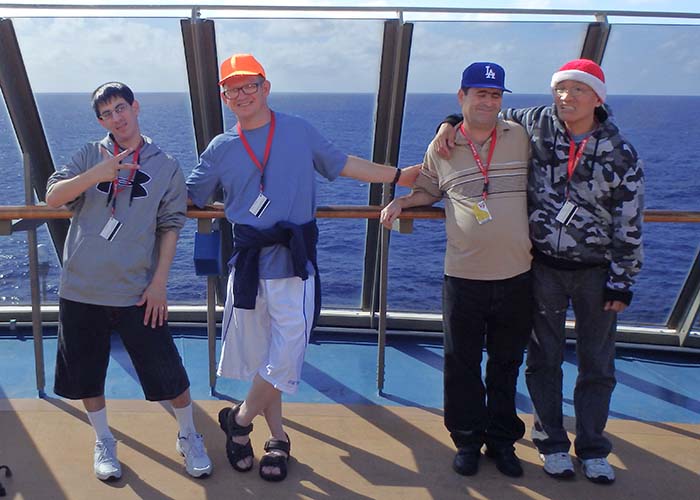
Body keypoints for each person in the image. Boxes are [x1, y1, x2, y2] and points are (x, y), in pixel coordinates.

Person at [186, 53, 419, 482]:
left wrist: (400, 175)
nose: (242, 94)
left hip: (294, 264)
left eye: (249, 85)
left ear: (266, 88)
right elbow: (191, 197)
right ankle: (277, 437)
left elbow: (344, 164)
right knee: (264, 355)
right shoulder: (221, 148)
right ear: (223, 97)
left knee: (288, 350)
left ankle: (238, 421)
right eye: (232, 89)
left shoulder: (298, 130)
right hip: (250, 264)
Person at [434, 59, 644, 484]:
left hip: (596, 272)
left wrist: (623, 279)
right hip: (543, 267)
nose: (567, 97)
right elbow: (485, 111)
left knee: (596, 365)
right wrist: (448, 122)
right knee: (543, 360)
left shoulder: (619, 151)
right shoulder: (538, 122)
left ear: (598, 98)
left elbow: (630, 220)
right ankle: (550, 444)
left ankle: (592, 448)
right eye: (561, 89)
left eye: (578, 90)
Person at [46, 82, 212, 481]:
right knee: (87, 373)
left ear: (136, 108)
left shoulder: (165, 164)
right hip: (81, 288)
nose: (115, 118)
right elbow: (53, 196)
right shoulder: (90, 153)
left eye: (121, 108)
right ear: (100, 120)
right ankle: (104, 439)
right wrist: (97, 174)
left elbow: (171, 225)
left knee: (167, 370)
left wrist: (159, 284)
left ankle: (189, 434)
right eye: (106, 114)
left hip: (137, 291)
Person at [381, 62, 532, 478]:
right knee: (460, 363)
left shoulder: (520, 135)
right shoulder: (442, 148)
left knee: (505, 364)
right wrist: (402, 202)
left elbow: (559, 117)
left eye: (495, 95)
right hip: (464, 276)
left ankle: (502, 441)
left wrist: (446, 122)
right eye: (479, 93)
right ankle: (467, 439)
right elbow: (429, 188)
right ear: (461, 96)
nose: (488, 101)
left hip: (518, 273)